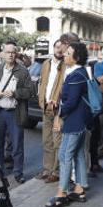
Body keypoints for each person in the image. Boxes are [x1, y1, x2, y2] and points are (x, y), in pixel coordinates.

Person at [45, 42, 92, 207]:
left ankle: (62, 192)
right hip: (81, 121)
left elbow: (71, 102)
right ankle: (79, 188)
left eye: (68, 53)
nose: (64, 55)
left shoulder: (76, 75)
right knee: (78, 154)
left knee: (64, 155)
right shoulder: (80, 73)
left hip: (74, 122)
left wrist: (59, 114)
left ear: (76, 57)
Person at [0, 41, 31, 184]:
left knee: (17, 144)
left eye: (13, 52)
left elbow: (30, 92)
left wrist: (15, 93)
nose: (10, 54)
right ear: (3, 54)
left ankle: (18, 172)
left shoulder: (23, 71)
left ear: (16, 54)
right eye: (8, 52)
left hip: (15, 112)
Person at [35, 38, 68, 183]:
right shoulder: (46, 63)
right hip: (45, 107)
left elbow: (63, 87)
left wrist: (58, 103)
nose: (59, 50)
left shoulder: (66, 65)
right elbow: (43, 82)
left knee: (57, 142)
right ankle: (47, 169)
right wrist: (41, 99)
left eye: (62, 47)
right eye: (57, 47)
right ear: (53, 48)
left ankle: (56, 171)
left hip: (58, 109)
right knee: (46, 141)